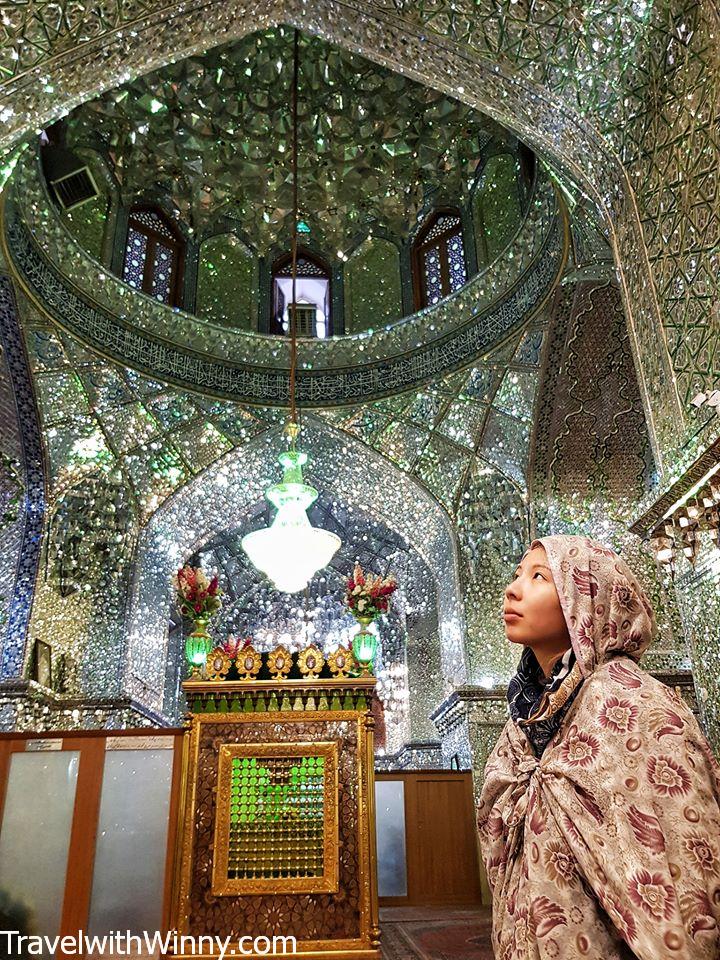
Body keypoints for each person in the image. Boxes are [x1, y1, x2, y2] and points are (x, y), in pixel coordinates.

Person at [477, 535, 720, 960]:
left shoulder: (633, 704)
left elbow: (687, 858)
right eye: (517, 575)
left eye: (540, 577)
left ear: (590, 600)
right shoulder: (528, 715)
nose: (513, 589)